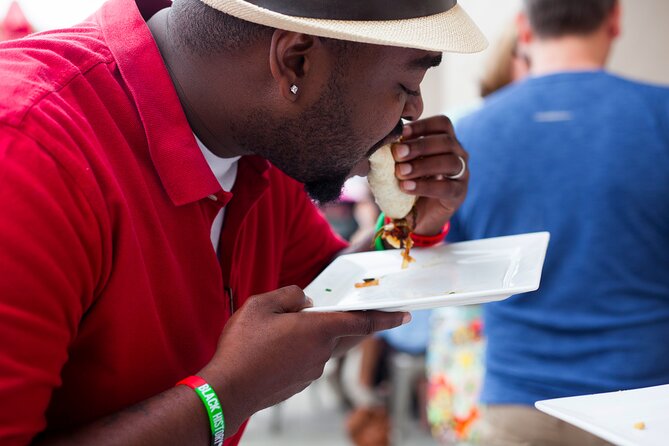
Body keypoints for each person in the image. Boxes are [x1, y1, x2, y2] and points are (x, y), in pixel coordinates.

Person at [0, 0, 487, 445]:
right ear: (295, 61)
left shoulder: (259, 142)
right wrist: (224, 398)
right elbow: (250, 373)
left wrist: (408, 227)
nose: (414, 112)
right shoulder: (27, 156)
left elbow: (321, 305)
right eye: (406, 86)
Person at [449, 0, 669, 444]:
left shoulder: (467, 135)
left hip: (516, 405)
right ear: (615, 20)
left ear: (524, 30)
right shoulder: (660, 117)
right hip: (644, 409)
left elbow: (444, 264)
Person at [427, 18, 530, 445]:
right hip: (476, 326)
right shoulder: (474, 133)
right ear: (512, 63)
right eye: (528, 58)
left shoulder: (478, 129)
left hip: (480, 329)